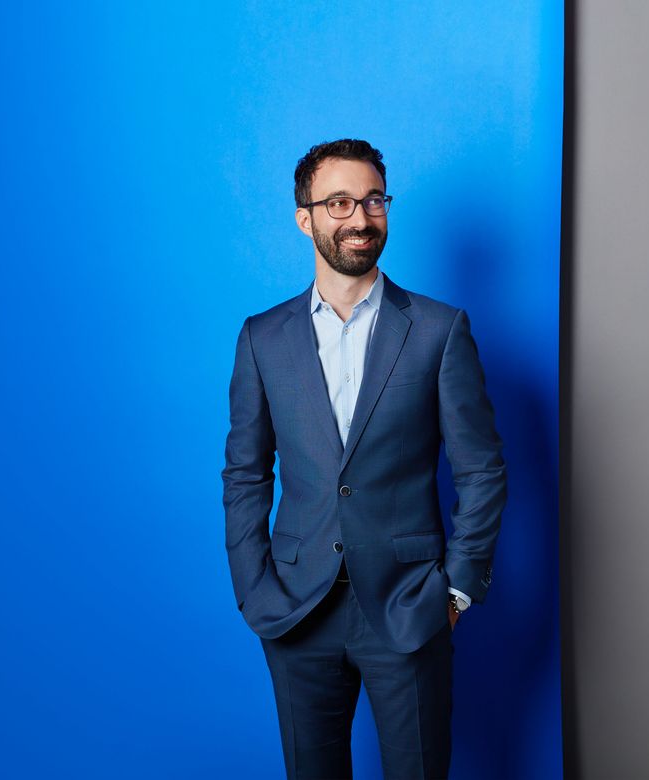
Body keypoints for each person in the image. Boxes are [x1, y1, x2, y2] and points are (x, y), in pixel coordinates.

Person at [223, 138, 507, 779]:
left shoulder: (439, 330)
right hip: (295, 610)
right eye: (340, 202)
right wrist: (254, 589)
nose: (360, 217)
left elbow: (481, 470)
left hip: (409, 606)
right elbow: (245, 473)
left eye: (373, 200)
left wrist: (456, 591)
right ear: (306, 218)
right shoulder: (263, 338)